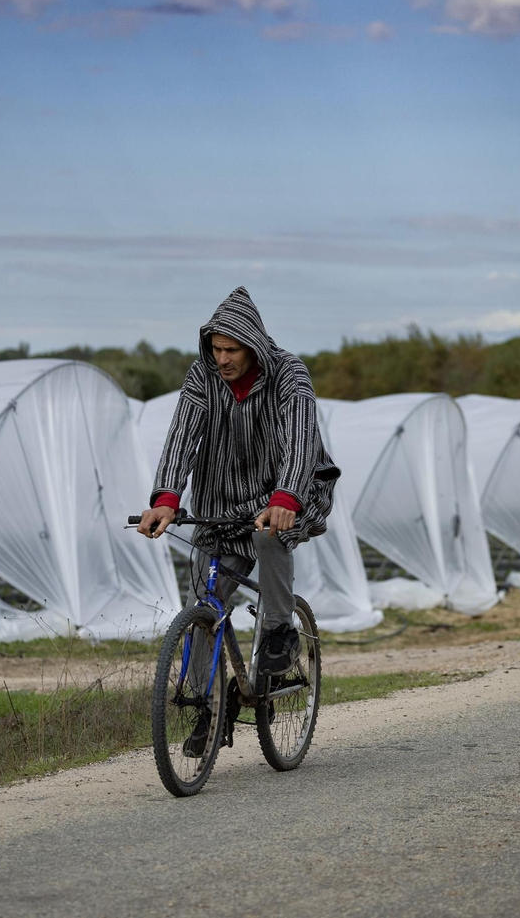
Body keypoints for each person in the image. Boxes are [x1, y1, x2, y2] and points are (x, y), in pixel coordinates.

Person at [139, 287, 341, 755]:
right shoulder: (203, 377)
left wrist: (286, 495)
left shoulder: (288, 374)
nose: (223, 358)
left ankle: (279, 633)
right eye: (216, 349)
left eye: (231, 350)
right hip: (224, 499)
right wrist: (167, 498)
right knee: (203, 604)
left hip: (286, 489)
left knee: (270, 534)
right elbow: (182, 435)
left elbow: (300, 436)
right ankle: (209, 709)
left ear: (252, 345)